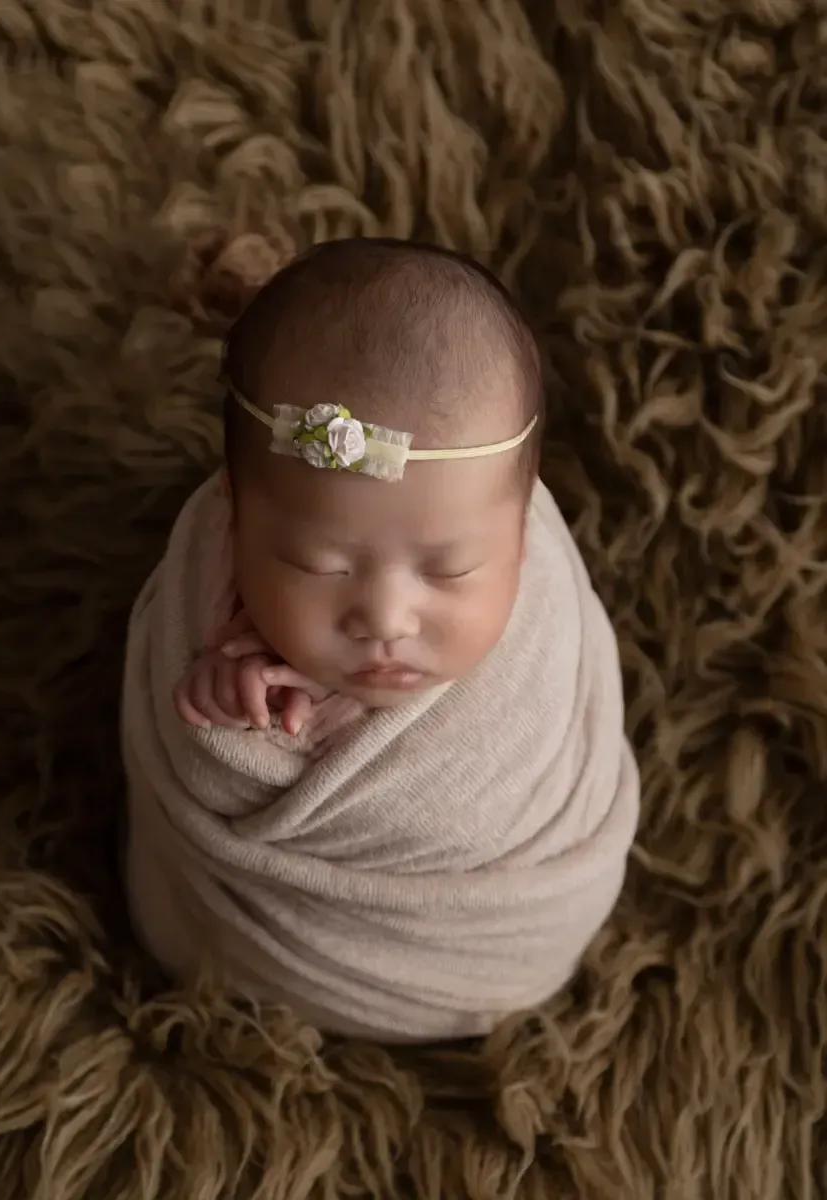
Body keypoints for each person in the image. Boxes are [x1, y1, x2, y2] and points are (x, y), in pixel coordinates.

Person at [121, 238, 640, 1042]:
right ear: (234, 506)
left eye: (452, 569)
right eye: (316, 564)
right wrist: (221, 712)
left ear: (520, 518)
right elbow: (205, 771)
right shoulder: (209, 570)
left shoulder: (530, 623)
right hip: (255, 944)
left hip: (487, 944)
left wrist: (346, 718)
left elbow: (473, 811)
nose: (386, 618)